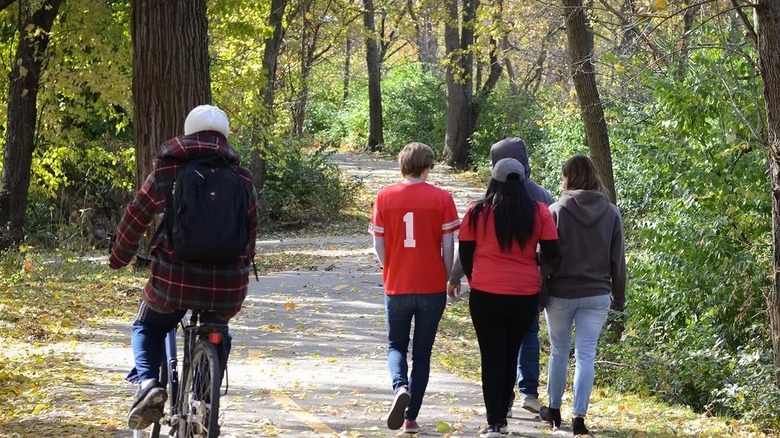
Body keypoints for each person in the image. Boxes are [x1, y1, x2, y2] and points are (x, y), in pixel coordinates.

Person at [109, 105, 258, 430]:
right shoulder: (242, 178)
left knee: (147, 326)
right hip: (227, 286)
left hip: (173, 280)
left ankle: (148, 384)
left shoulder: (168, 171)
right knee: (219, 328)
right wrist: (241, 268)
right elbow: (251, 233)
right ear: (225, 137)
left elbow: (136, 215)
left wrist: (119, 256)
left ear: (190, 134)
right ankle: (205, 402)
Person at [452, 158, 559, 438]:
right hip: (524, 295)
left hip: (486, 294)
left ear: (494, 180)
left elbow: (465, 254)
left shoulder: (477, 211)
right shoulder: (539, 212)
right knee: (511, 354)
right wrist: (531, 259)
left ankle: (495, 422)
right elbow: (553, 254)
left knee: (491, 356)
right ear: (523, 180)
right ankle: (503, 415)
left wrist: (474, 278)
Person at [368, 142, 460, 434]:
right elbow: (449, 245)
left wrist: (390, 266)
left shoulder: (384, 197)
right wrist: (448, 277)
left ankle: (399, 387)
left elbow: (377, 243)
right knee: (422, 353)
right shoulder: (442, 198)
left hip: (397, 285)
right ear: (426, 166)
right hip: (431, 286)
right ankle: (410, 417)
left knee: (396, 344)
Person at [538, 155, 626, 436]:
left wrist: (541, 292)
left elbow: (545, 257)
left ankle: (553, 410)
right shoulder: (611, 213)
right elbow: (618, 261)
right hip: (597, 294)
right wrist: (619, 297)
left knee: (559, 351)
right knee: (586, 354)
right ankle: (579, 418)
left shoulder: (556, 210)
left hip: (561, 292)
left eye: (564, 176)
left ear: (570, 178)